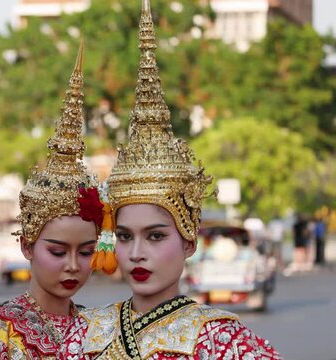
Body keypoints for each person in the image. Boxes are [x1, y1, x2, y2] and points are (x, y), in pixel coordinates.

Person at [83, 1, 282, 358]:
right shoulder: (84, 335)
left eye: (156, 236)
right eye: (126, 237)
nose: (137, 254)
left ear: (190, 242)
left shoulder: (226, 343)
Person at [0, 43, 111, 360]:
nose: (73, 266)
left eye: (87, 252)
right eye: (57, 251)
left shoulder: (102, 333)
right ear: (27, 246)